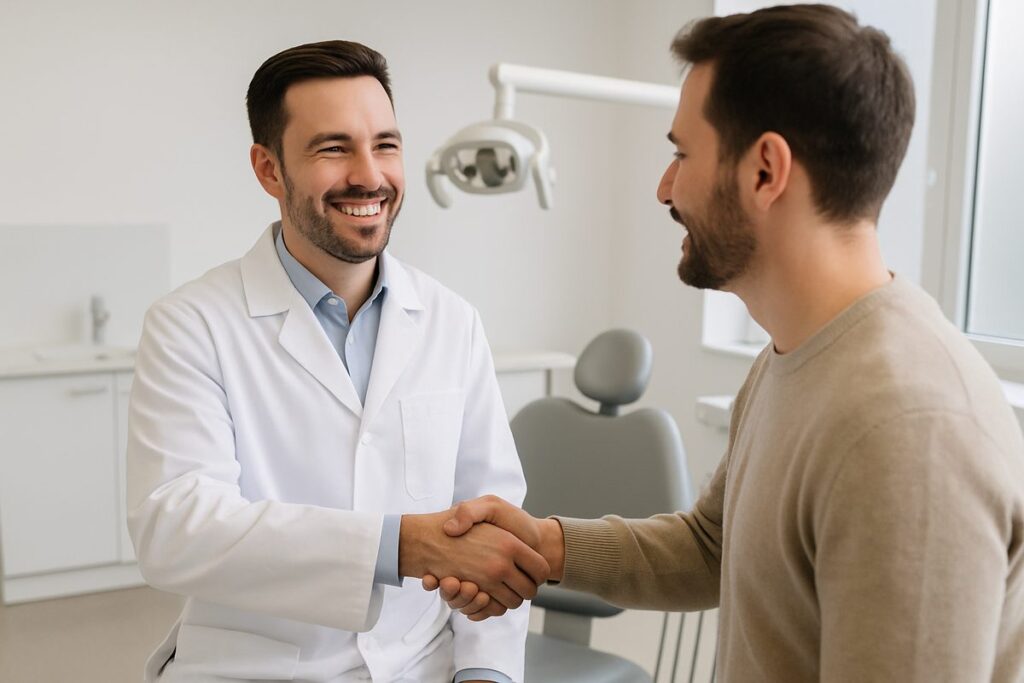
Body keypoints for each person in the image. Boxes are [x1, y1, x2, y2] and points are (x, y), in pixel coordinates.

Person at [424, 5, 1024, 681]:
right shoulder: (796, 352)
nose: (663, 186)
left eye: (681, 153)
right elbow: (714, 544)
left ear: (765, 170)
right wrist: (546, 545)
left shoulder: (910, 429)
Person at [126, 40, 545, 683]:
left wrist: (485, 671)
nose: (369, 175)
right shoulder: (192, 324)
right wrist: (401, 544)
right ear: (269, 170)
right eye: (333, 148)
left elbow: (493, 518)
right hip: (256, 666)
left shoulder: (451, 321)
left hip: (420, 665)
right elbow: (176, 528)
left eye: (385, 144)